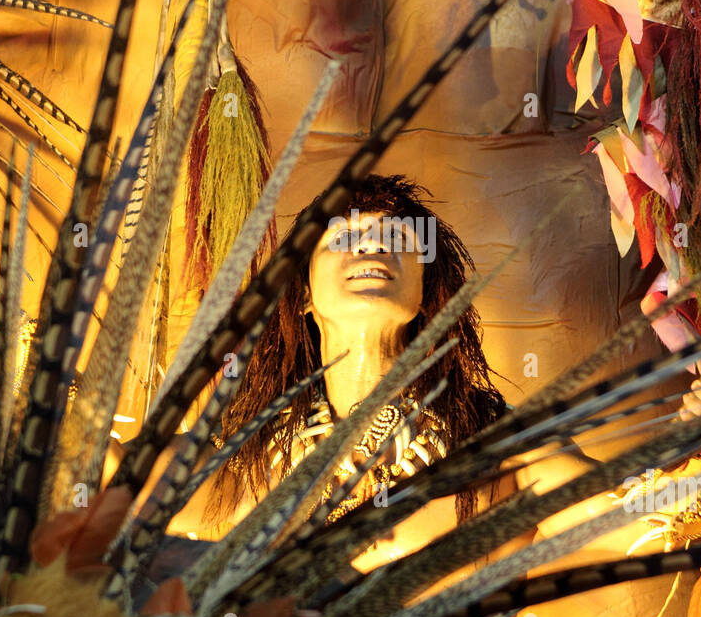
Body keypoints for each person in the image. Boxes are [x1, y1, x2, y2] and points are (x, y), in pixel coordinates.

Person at [205, 174, 508, 535]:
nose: (370, 245)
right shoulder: (247, 457)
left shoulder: (493, 442)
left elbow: (591, 525)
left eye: (395, 237)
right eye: (344, 237)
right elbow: (128, 488)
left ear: (426, 292)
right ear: (303, 293)